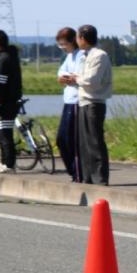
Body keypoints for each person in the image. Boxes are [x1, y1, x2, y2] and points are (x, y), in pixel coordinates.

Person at [59, 25, 112, 185]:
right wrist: (73, 77)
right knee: (83, 143)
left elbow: (92, 80)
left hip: (94, 102)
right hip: (83, 101)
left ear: (82, 38)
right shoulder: (84, 55)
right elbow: (83, 76)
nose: (76, 41)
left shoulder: (99, 55)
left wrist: (75, 79)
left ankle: (100, 178)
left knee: (95, 141)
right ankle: (87, 176)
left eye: (77, 38)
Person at [54, 27, 84, 181]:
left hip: (77, 101)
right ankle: (73, 171)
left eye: (63, 44)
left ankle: (78, 173)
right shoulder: (69, 56)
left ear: (73, 40)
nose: (62, 48)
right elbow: (61, 74)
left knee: (70, 139)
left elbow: (78, 76)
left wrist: (69, 78)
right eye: (60, 45)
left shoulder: (81, 55)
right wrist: (63, 78)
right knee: (61, 139)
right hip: (68, 100)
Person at [0, 30, 22, 174]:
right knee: (0, 132)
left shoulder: (3, 59)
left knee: (4, 134)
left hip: (7, 103)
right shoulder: (6, 57)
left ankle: (9, 165)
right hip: (9, 101)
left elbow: (0, 85)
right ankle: (4, 162)